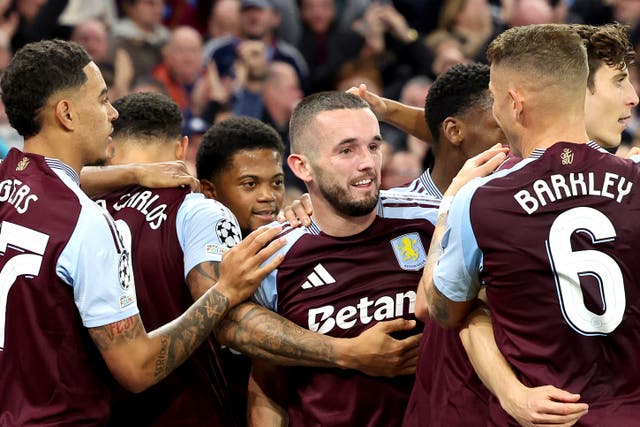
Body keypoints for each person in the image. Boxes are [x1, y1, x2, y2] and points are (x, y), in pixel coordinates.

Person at [0, 39, 284, 425]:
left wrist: (134, 173)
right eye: (101, 100)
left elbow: (61, 180)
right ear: (66, 113)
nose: (113, 113)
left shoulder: (8, 177)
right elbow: (138, 368)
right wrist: (224, 291)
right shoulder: (87, 223)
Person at [419, 23, 640, 426]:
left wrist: (448, 206)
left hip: (539, 415)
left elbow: (444, 311)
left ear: (514, 102)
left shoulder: (480, 197)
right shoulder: (637, 178)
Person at [196, 115, 426, 425]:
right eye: (250, 184)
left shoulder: (429, 220)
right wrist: (348, 353)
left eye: (374, 146)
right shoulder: (253, 258)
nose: (268, 196)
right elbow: (242, 343)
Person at [247, 91, 441, 426]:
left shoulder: (433, 221)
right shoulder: (272, 255)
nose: (367, 162)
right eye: (346, 150)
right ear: (301, 166)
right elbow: (267, 381)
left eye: (374, 146)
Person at [94, 91, 242, 426]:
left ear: (109, 147)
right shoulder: (200, 210)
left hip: (97, 409)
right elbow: (229, 326)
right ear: (182, 147)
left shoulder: (75, 209)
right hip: (188, 409)